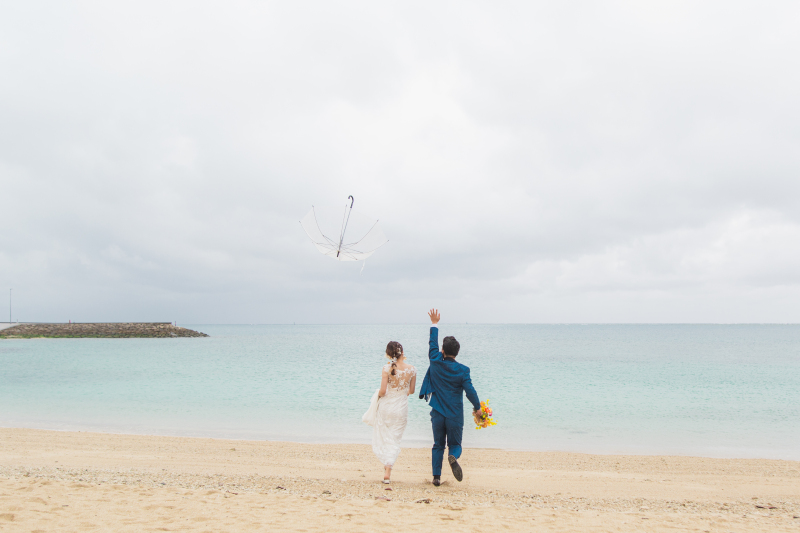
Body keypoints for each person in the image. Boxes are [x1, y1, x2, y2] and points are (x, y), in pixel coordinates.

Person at [418, 309, 485, 486]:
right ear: (457, 352)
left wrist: (434, 323)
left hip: (438, 413)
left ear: (442, 350)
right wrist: (478, 408)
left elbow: (432, 345)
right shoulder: (463, 371)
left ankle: (436, 477)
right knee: (455, 444)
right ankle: (453, 457)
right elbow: (470, 391)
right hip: (455, 414)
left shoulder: (435, 360)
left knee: (438, 445)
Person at [372, 341, 416, 484]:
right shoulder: (412, 370)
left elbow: (383, 391)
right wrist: (402, 393)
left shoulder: (386, 368)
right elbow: (411, 391)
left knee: (386, 436)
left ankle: (387, 466)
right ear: (402, 352)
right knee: (395, 438)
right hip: (401, 408)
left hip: (386, 407)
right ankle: (388, 468)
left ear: (389, 354)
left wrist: (376, 396)